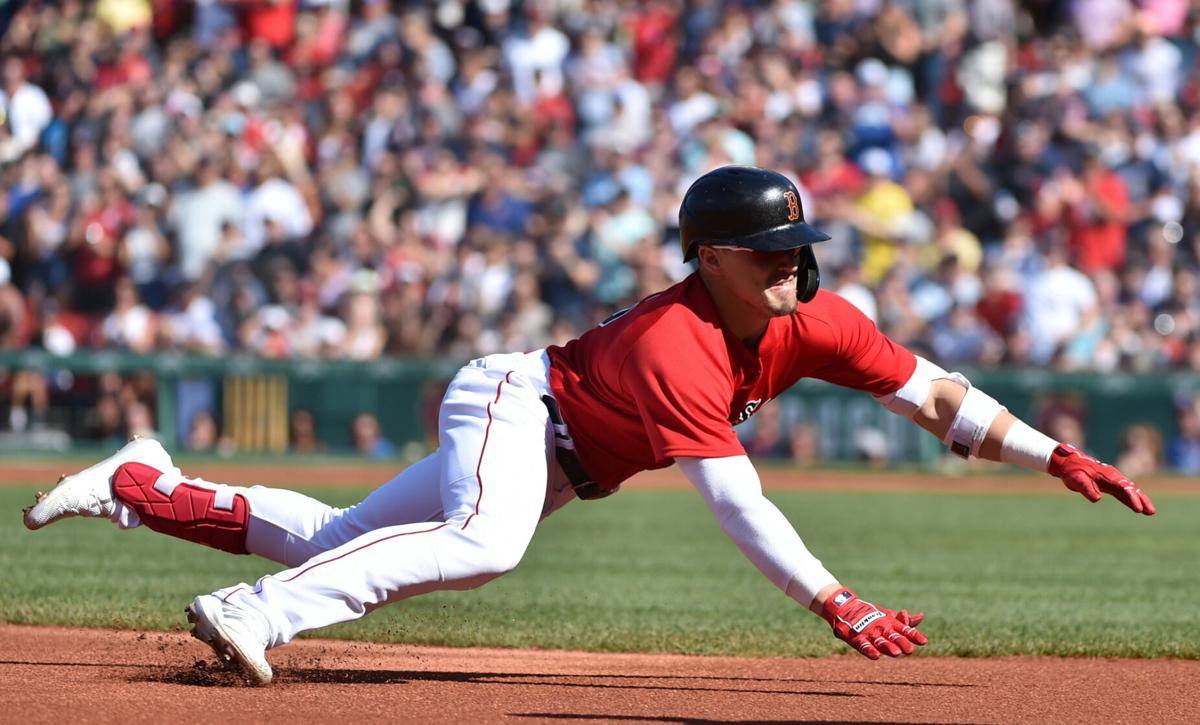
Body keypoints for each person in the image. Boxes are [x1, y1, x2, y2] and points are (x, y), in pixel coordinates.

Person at [22, 166, 1156, 686]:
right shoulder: (676, 341)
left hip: (565, 443)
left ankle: (142, 482)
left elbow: (939, 397)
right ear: (708, 256)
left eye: (800, 246)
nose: (793, 265)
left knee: (338, 542)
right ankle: (251, 613)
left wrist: (1048, 449)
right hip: (520, 403)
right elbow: (733, 496)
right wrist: (832, 597)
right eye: (770, 250)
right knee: (486, 541)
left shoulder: (813, 319)